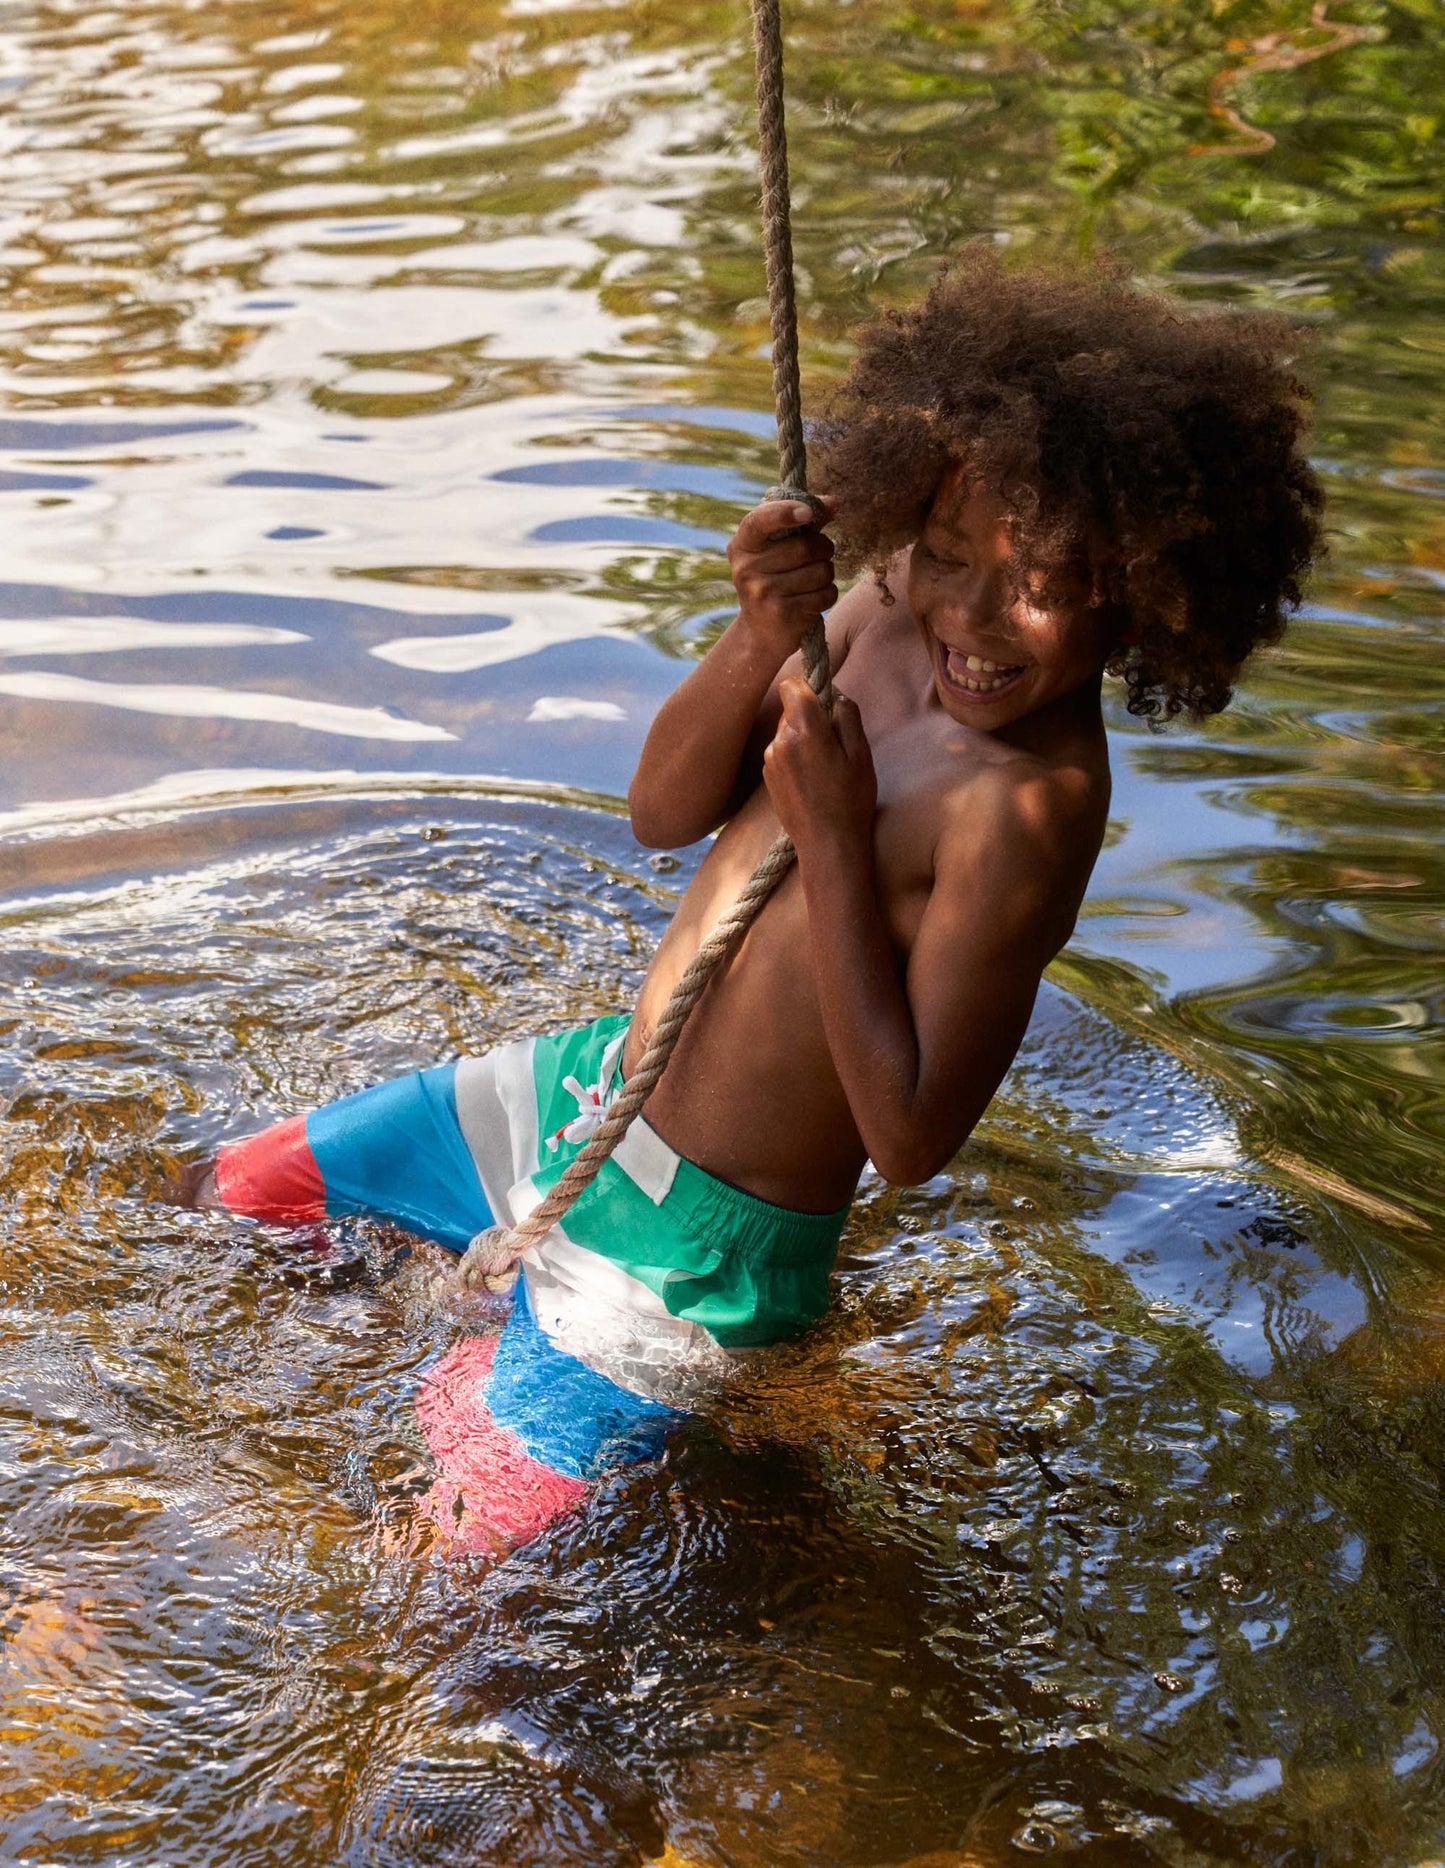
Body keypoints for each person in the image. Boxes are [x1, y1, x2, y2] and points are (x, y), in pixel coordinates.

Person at [192, 253, 1325, 1550]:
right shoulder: (879, 616)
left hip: (701, 1255)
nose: (972, 614)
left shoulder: (1030, 806)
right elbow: (662, 812)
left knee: (442, 1560)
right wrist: (751, 630)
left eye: (1044, 588)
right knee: (234, 1198)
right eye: (946, 553)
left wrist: (836, 843)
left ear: (1141, 592)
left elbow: (906, 1138)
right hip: (579, 1097)